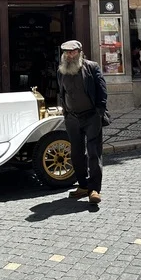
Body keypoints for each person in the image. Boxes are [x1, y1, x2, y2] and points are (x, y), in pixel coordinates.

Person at [56, 40, 108, 205]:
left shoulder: (91, 67)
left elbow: (102, 91)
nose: (69, 55)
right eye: (66, 53)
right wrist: (65, 112)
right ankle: (83, 186)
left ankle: (94, 190)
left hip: (91, 116)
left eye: (72, 52)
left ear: (80, 52)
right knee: (76, 154)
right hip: (72, 118)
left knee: (93, 153)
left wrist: (99, 112)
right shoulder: (61, 71)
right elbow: (61, 92)